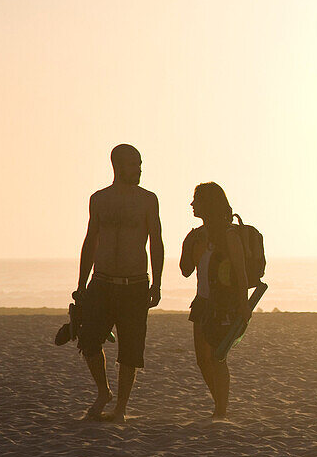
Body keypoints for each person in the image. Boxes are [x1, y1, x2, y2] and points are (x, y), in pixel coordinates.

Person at [76, 144, 163, 421]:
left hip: (135, 284)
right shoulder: (99, 199)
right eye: (134, 164)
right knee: (88, 340)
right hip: (101, 282)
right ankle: (104, 392)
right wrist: (81, 285)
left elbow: (156, 242)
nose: (139, 169)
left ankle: (121, 408)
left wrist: (157, 283)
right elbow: (91, 241)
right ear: (118, 165)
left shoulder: (148, 199)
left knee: (130, 348)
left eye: (140, 164)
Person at [179, 182, 251, 419]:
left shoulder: (229, 236)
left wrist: (244, 305)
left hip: (223, 305)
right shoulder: (197, 236)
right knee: (202, 360)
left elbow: (241, 273)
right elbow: (185, 270)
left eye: (196, 200)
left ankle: (221, 410)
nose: (191, 204)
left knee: (217, 357)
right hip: (201, 303)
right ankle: (220, 404)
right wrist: (189, 246)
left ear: (208, 204)